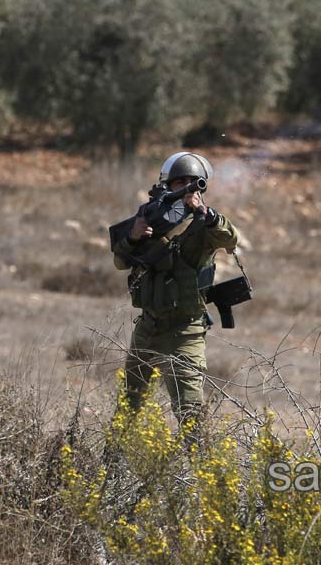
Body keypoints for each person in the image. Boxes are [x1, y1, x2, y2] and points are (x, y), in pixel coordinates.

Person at [111, 151, 239, 442]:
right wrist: (133, 236)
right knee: (127, 410)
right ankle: (111, 472)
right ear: (165, 185)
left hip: (186, 330)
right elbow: (121, 262)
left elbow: (231, 238)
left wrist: (206, 216)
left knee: (190, 414)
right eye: (179, 182)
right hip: (148, 327)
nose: (186, 188)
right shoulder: (151, 217)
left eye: (192, 183)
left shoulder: (204, 224)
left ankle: (204, 481)